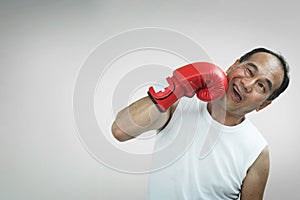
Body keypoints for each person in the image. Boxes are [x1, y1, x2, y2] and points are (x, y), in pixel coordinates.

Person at [111, 47, 290, 199]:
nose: (248, 84)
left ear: (264, 104)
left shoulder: (257, 151)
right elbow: (121, 130)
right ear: (233, 66)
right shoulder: (180, 102)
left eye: (261, 86)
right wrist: (176, 87)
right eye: (249, 71)